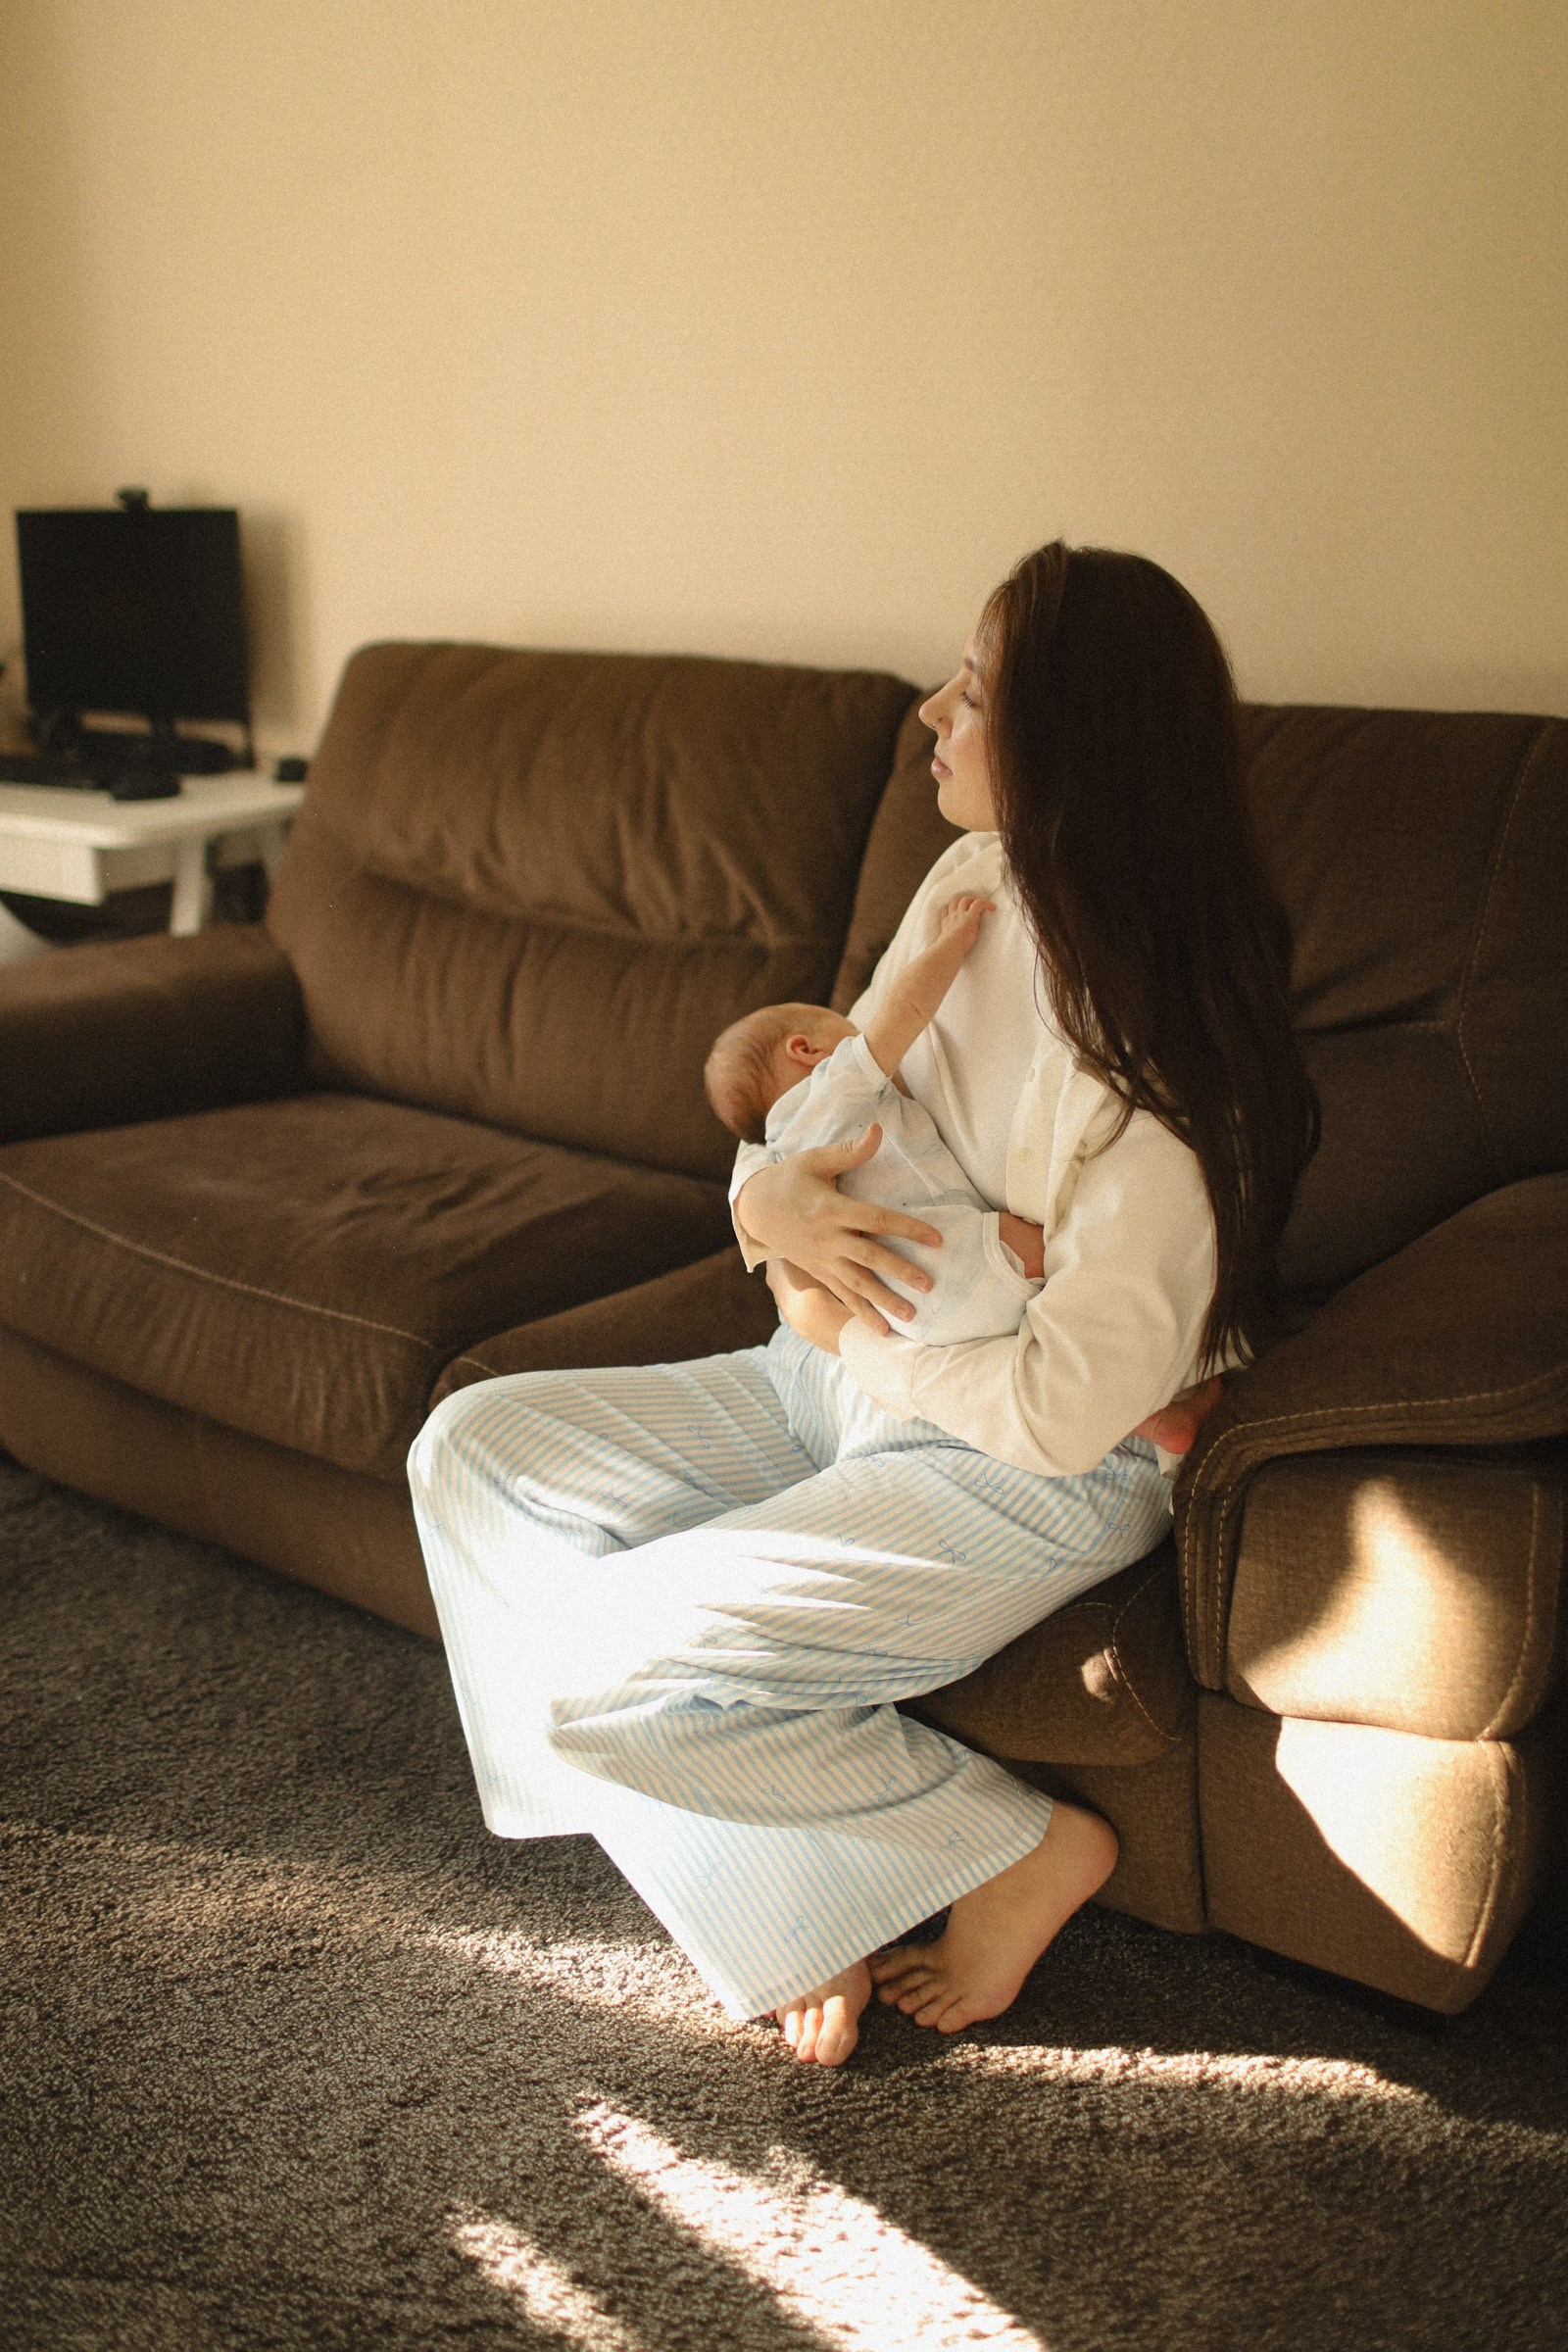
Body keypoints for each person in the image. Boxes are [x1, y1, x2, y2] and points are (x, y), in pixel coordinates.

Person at [408, 540, 1318, 2070]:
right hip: (836, 1373)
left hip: (1031, 1470)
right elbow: (829, 1109)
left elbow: (1057, 1413)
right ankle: (787, 1890)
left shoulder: (1165, 1071)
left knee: (594, 1663)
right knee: (472, 1456)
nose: (931, 715)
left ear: (1074, 742)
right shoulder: (974, 881)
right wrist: (764, 1210)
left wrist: (841, 1322)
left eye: (973, 690)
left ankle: (1012, 1844)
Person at [704, 894, 1221, 1455]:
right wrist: (953, 941)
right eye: (842, 1026)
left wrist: (755, 1204)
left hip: (902, 1312)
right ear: (806, 1049)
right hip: (958, 1256)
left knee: (1007, 1349)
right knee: (1052, 1277)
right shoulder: (834, 1085)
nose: (857, 1029)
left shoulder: (781, 1151)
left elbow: (754, 1172)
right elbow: (905, 1009)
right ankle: (1157, 1399)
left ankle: (1153, 1421)